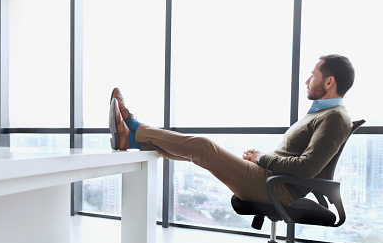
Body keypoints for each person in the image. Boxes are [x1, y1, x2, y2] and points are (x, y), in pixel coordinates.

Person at [109, 54, 355, 206]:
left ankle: (134, 127)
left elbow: (307, 168)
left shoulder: (335, 118)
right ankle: (133, 142)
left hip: (277, 189)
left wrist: (262, 158)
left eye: (312, 76)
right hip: (270, 178)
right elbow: (296, 158)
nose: (307, 81)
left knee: (203, 147)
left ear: (329, 82)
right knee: (197, 153)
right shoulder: (323, 113)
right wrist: (261, 159)